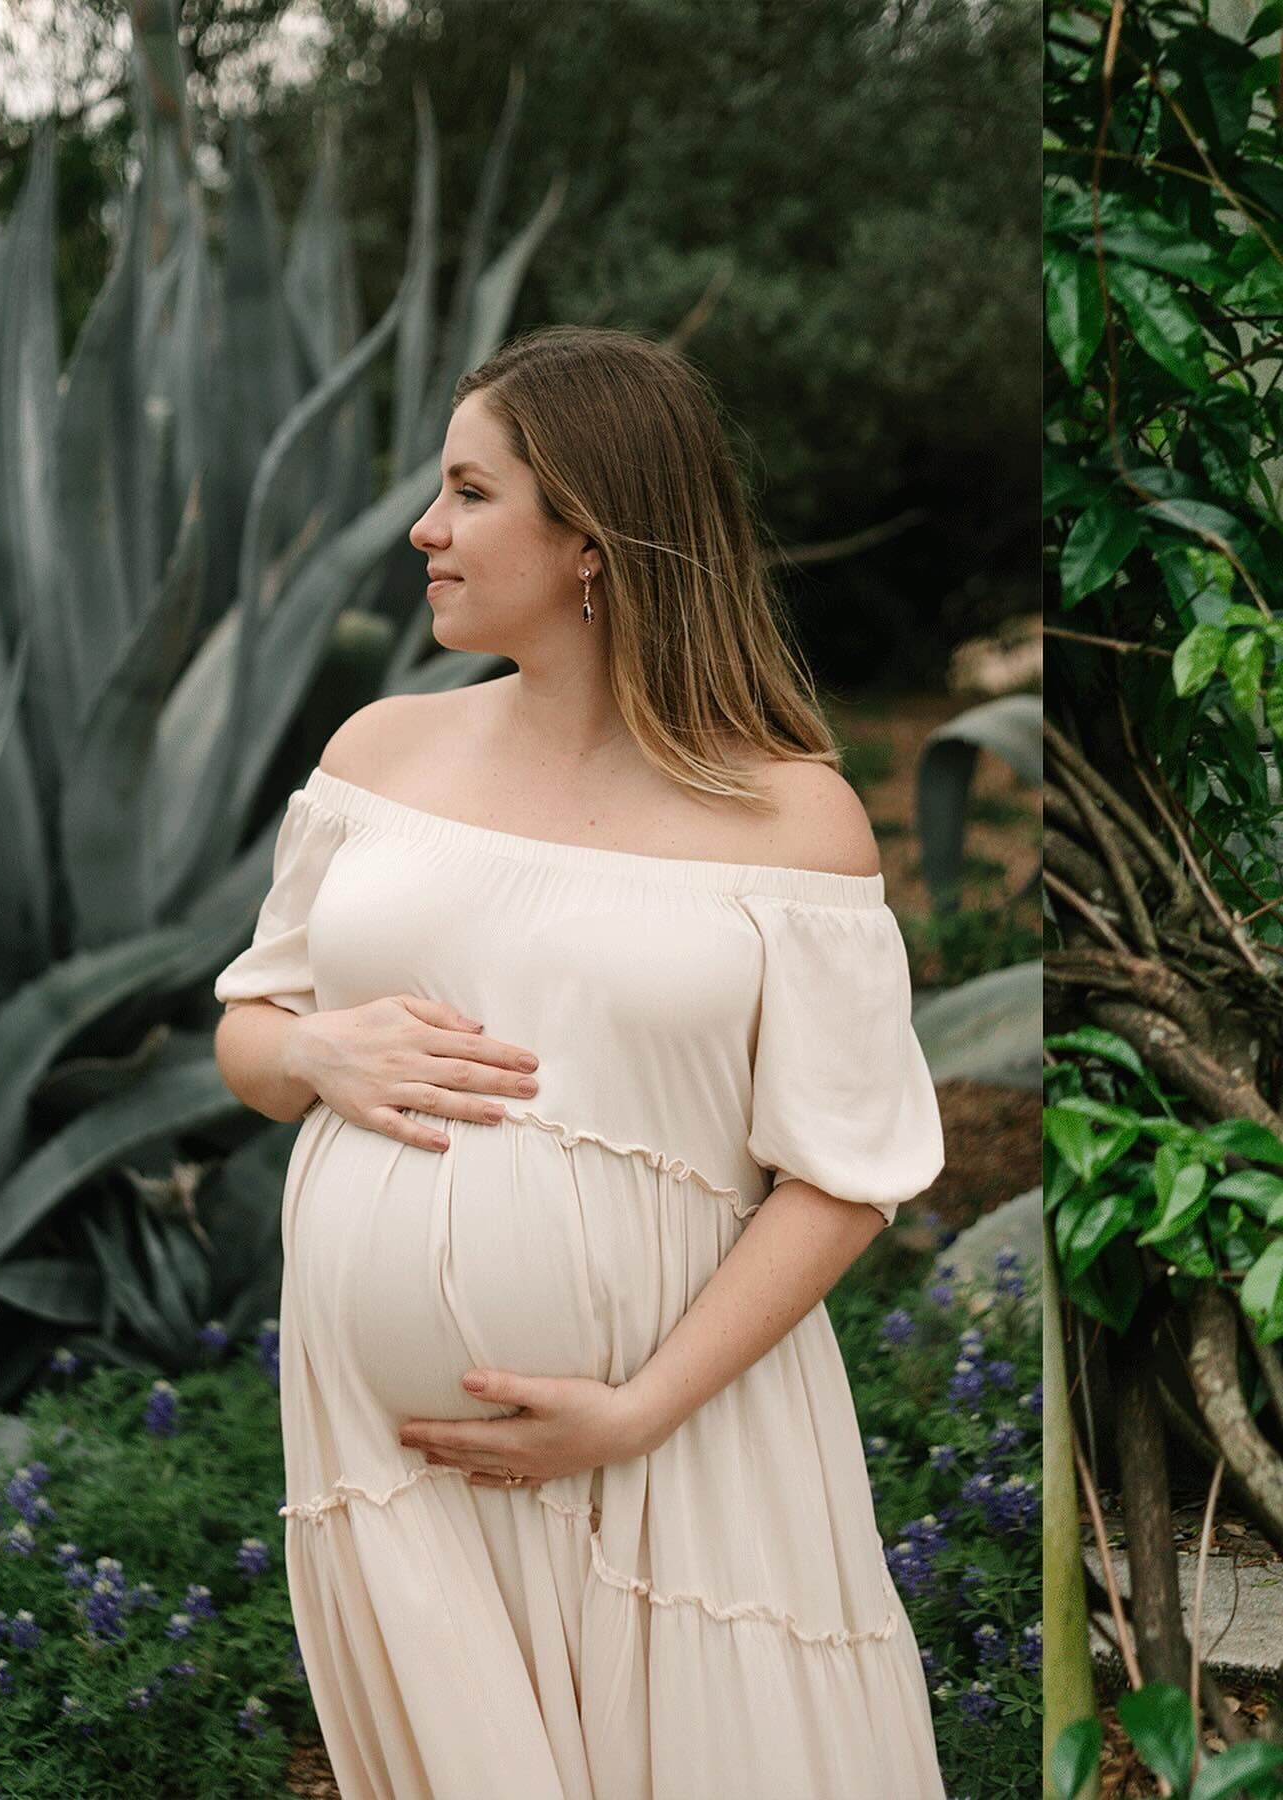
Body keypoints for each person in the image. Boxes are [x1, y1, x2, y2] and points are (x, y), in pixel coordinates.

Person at [212, 324, 948, 1799]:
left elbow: (845, 1175)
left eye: (470, 493)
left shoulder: (791, 822)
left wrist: (638, 1408)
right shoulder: (380, 754)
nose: (424, 529)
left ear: (595, 539)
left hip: (673, 1464)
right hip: (397, 1476)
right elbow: (247, 1030)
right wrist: (313, 1049)